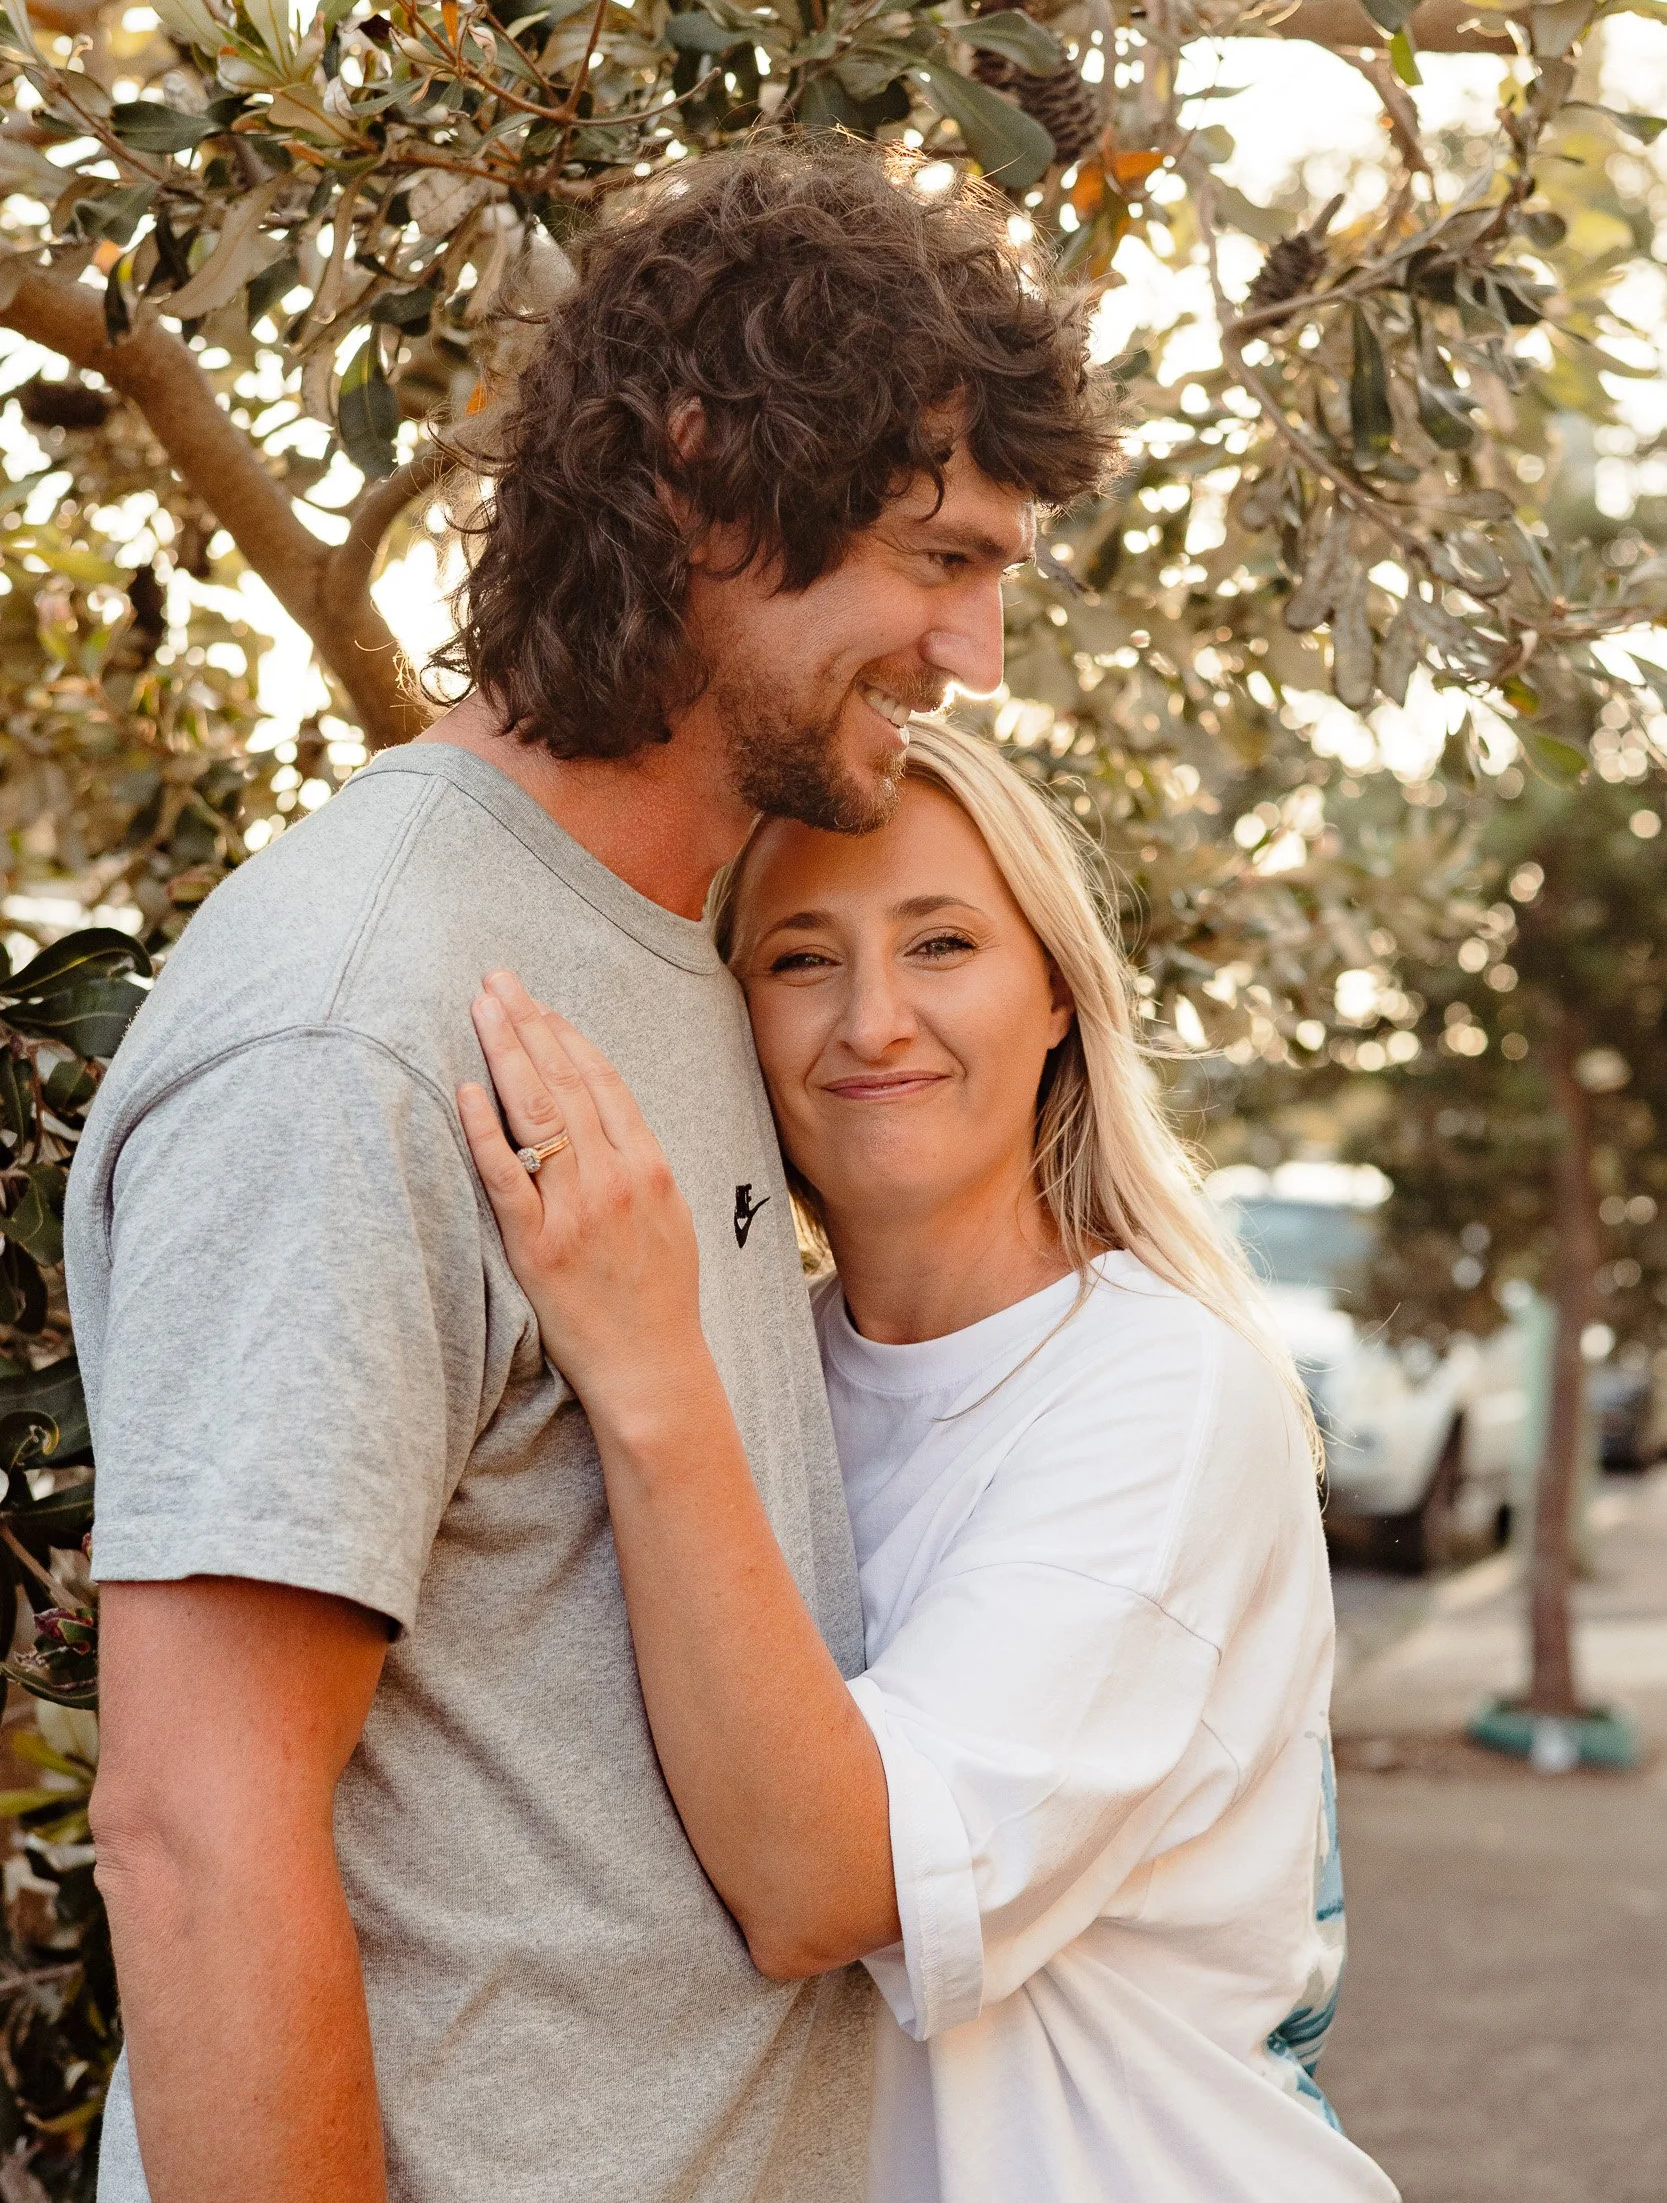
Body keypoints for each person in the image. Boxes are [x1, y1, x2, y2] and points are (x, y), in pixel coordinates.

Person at [65, 140, 1114, 2203]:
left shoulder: (666, 948)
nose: (975, 649)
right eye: (935, 556)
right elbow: (195, 1832)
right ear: (699, 474)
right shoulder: (361, 1024)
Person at [458, 720, 1401, 2203]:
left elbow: (823, 1888)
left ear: (1053, 1001)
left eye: (942, 943)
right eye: (799, 959)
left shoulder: (1157, 1392)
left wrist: (646, 1371)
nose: (873, 1021)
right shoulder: (777, 1374)